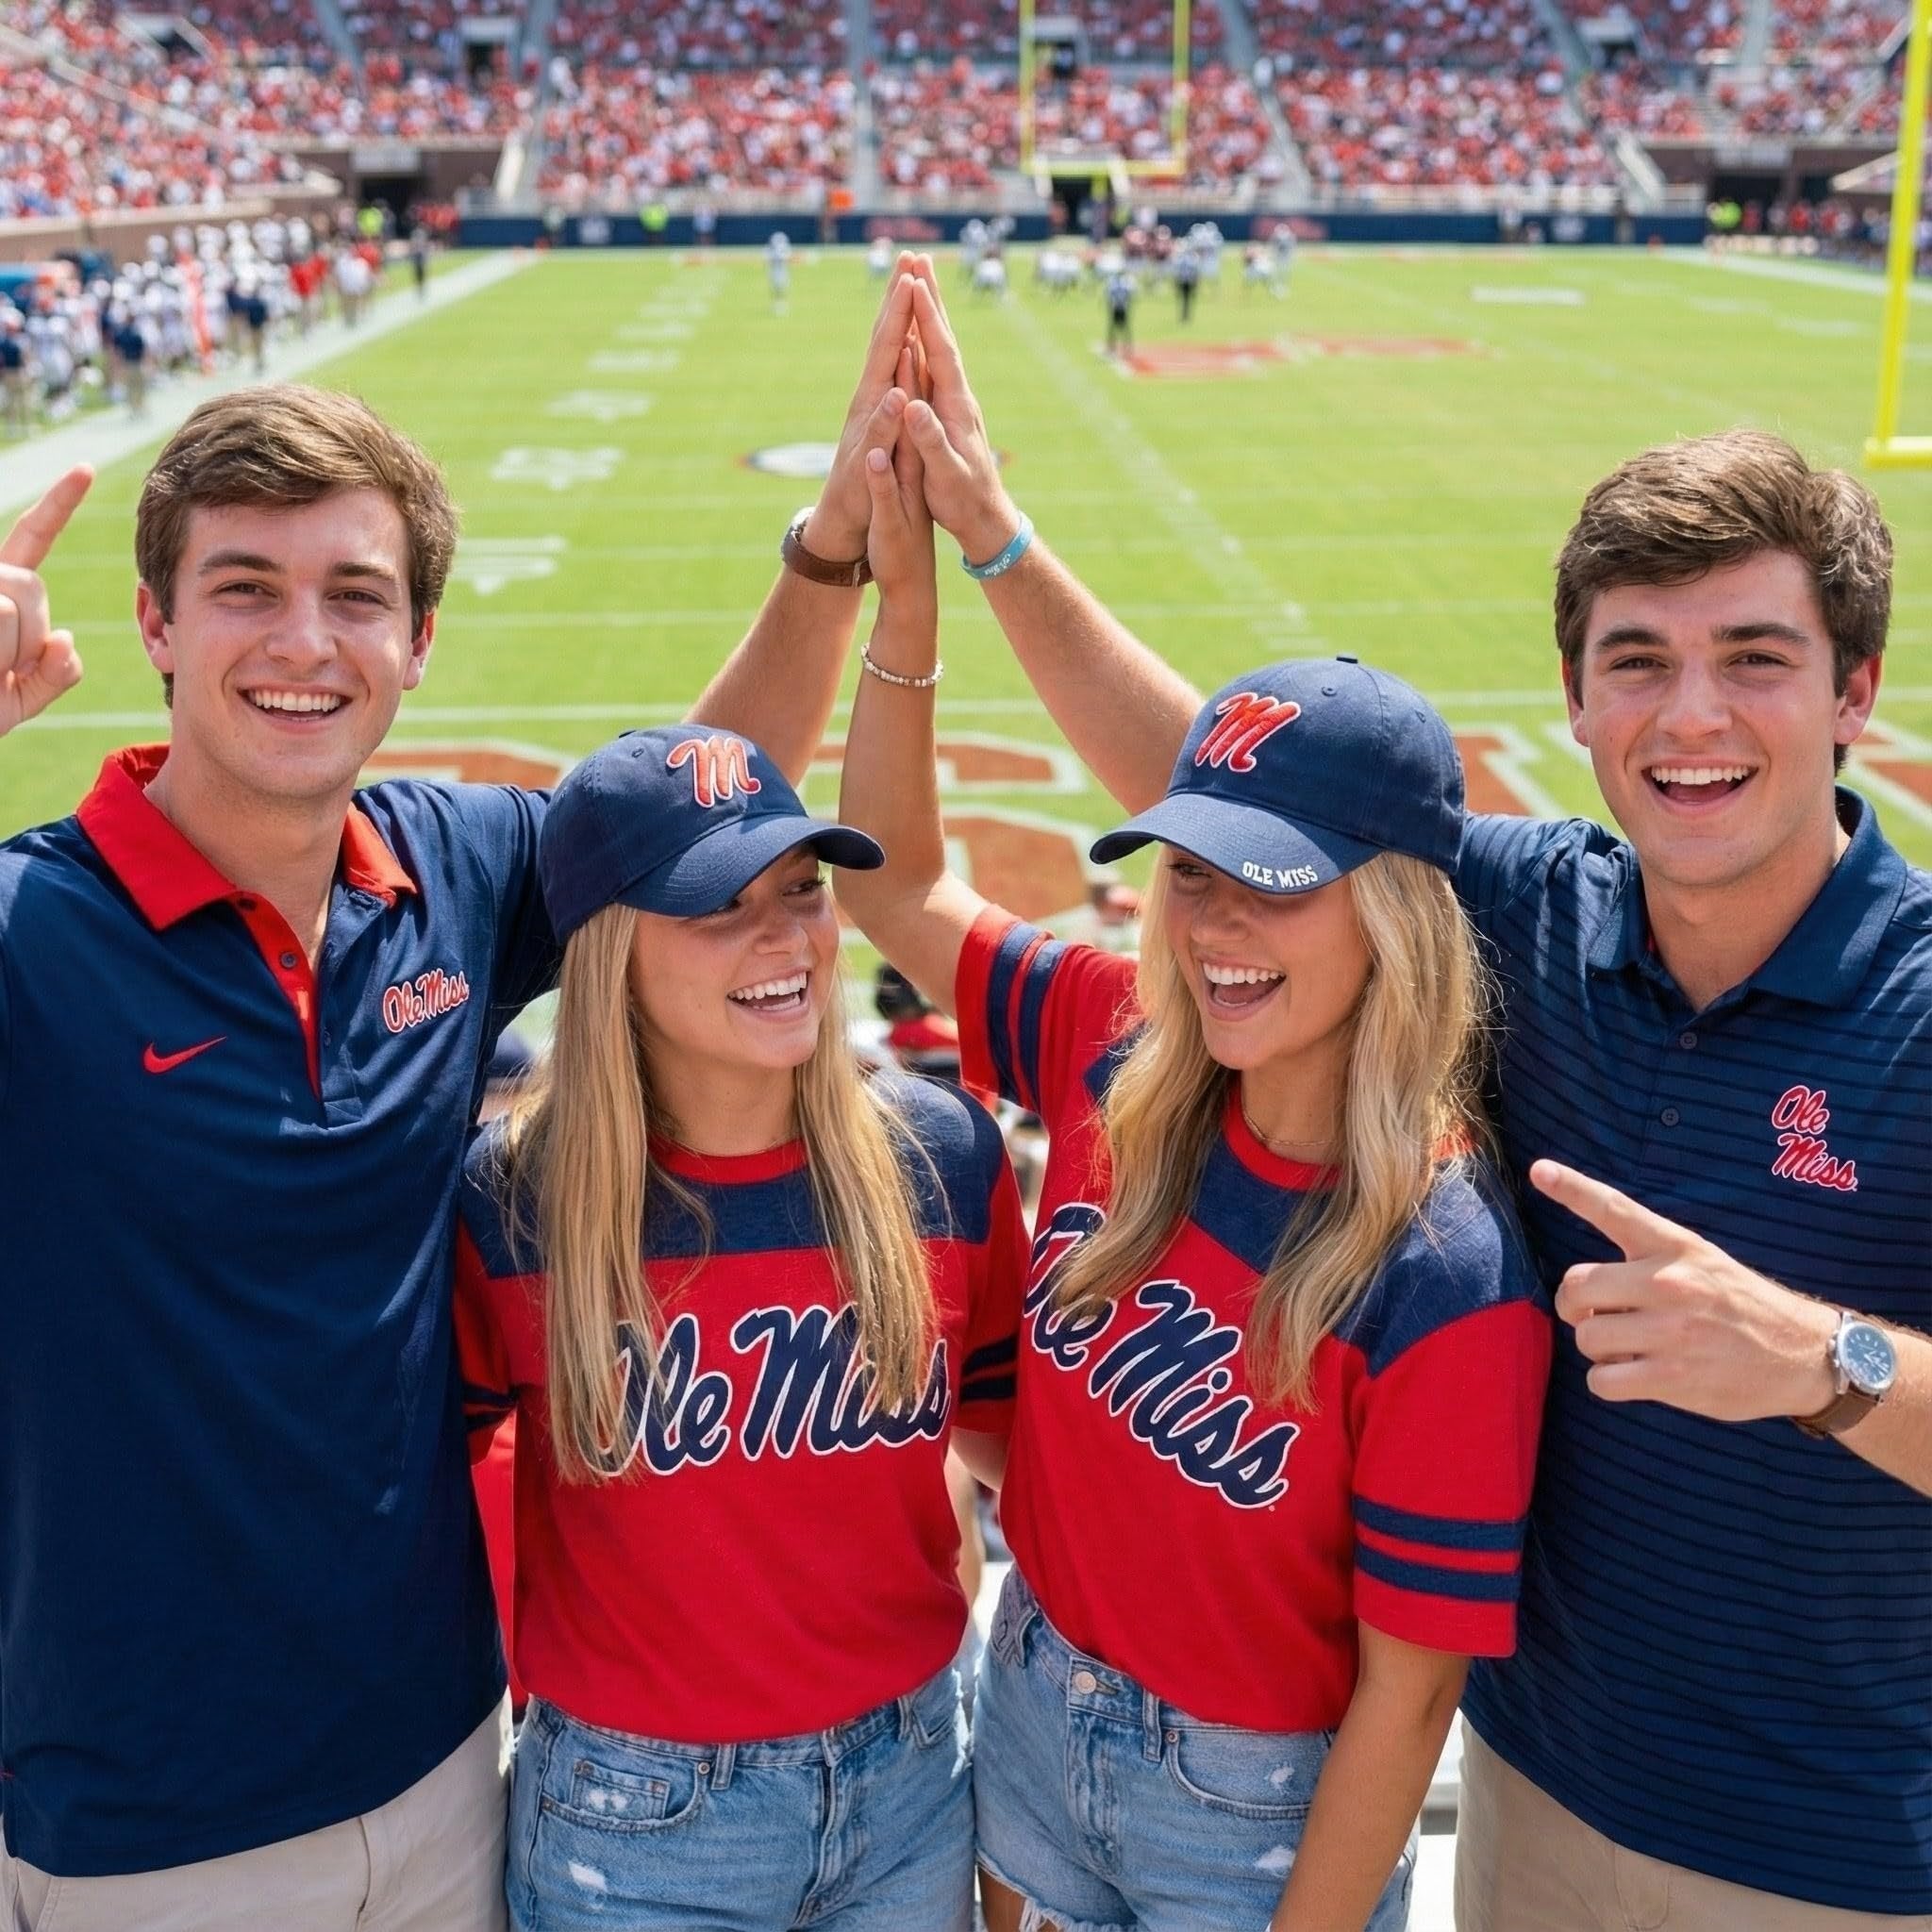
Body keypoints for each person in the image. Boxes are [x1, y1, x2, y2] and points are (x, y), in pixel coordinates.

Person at [887, 293, 1932, 1925]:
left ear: (1852, 689)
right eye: (1636, 662)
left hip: (1830, 1848)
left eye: (1755, 660)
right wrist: (994, 538)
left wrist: (1829, 1361)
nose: (1692, 717)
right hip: (1530, 1785)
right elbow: (1242, 787)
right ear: (1574, 700)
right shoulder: (1527, 916)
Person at [0, 262, 935, 1927]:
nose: (304, 641)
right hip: (142, 1803)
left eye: (355, 594)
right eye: (243, 587)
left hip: (443, 1744)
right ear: (152, 621)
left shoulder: (442, 862)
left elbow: (682, 814)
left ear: (418, 640)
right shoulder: (28, 933)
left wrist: (829, 551)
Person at [837, 399, 1551, 1931]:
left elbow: (1405, 1691)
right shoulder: (1119, 1040)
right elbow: (891, 881)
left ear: (1398, 914)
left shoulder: (1441, 1266)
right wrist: (911, 602)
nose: (1214, 925)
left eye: (1272, 884)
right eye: (1191, 871)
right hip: (1023, 1697)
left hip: (1258, 1811)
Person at [454, 726, 1026, 1931]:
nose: (785, 936)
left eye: (802, 889)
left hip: (914, 1781)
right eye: (719, 904)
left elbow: (1013, 1459)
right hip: (635, 1815)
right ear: (607, 951)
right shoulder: (513, 1201)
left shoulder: (939, 1154)